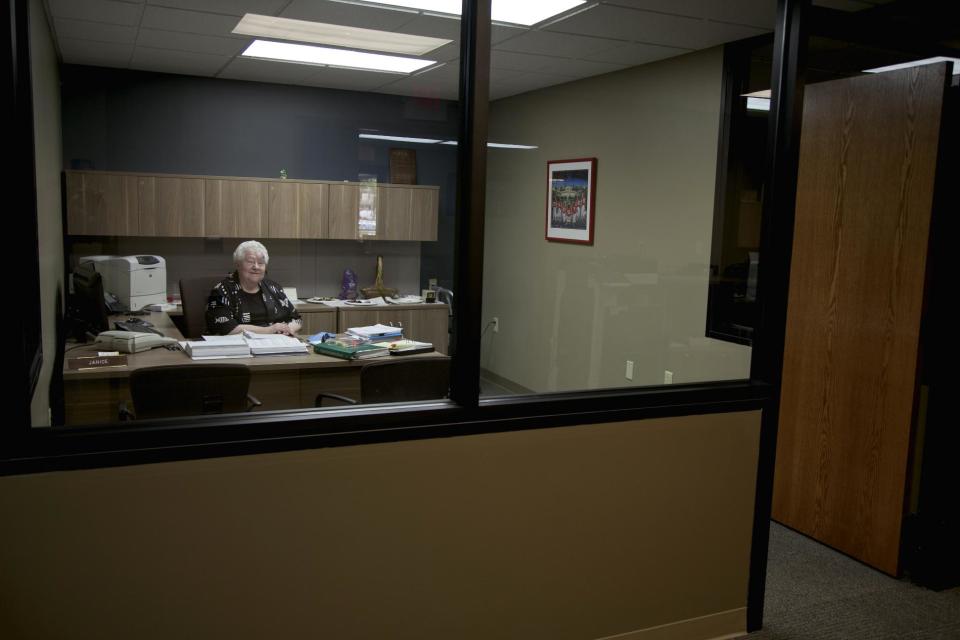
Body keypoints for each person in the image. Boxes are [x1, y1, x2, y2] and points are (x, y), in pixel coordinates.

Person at [205, 240, 302, 336]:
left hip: (276, 343)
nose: (256, 267)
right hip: (237, 347)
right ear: (238, 265)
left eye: (261, 263)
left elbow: (297, 319)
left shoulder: (273, 288)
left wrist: (288, 329)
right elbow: (226, 328)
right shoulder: (222, 291)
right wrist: (271, 330)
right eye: (250, 262)